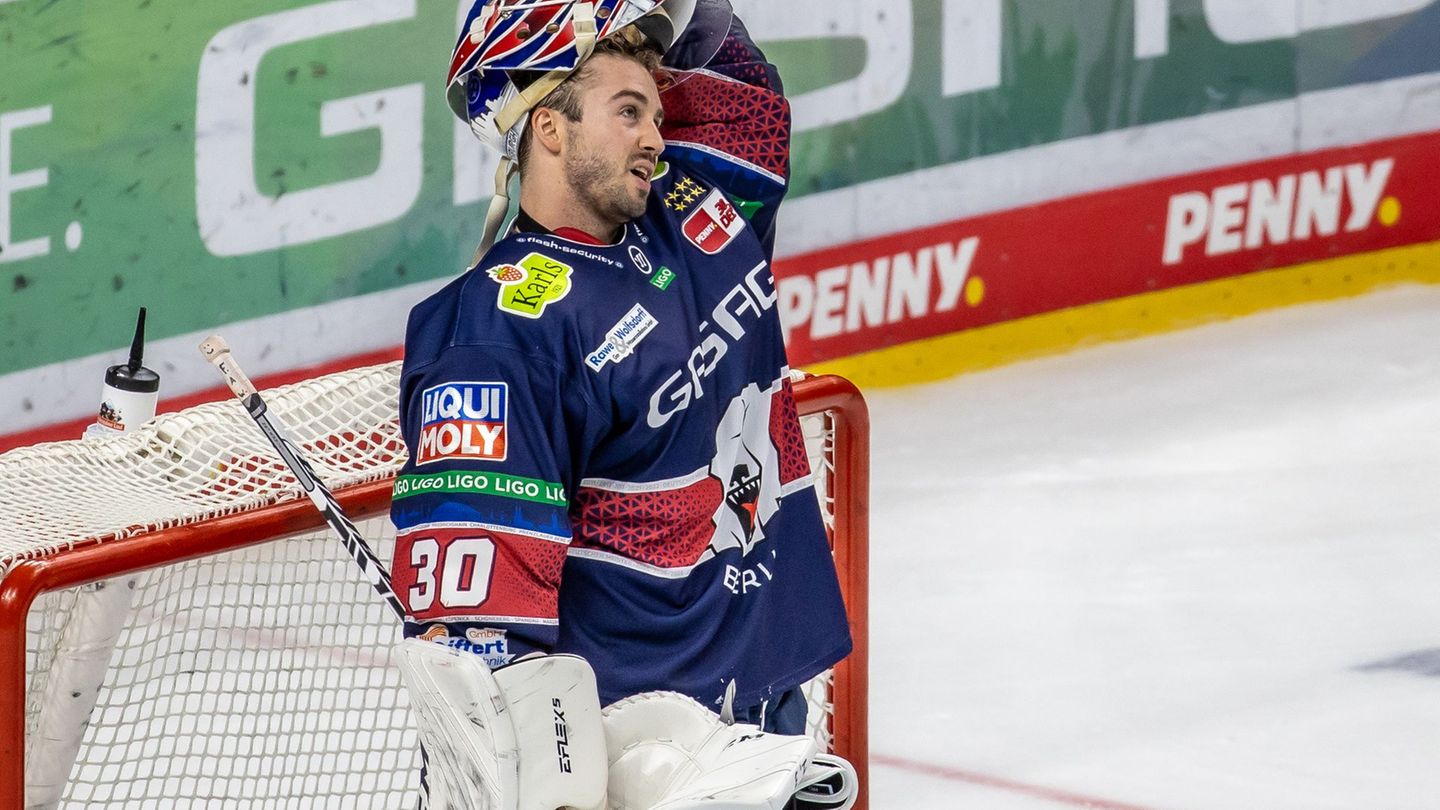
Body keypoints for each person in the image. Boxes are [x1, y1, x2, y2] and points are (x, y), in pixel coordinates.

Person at [390, 0, 851, 738]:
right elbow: (484, 639)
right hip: (643, 749)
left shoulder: (695, 207)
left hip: (769, 707)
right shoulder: (497, 333)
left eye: (660, 116)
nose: (656, 138)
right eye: (629, 112)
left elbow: (746, 92)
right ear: (549, 126)